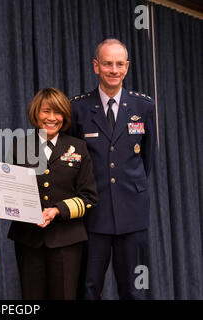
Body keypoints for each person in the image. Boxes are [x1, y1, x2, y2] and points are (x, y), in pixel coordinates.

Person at [69, 39, 156, 299]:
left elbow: (147, 157)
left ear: (127, 67)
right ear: (96, 66)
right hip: (93, 214)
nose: (114, 70)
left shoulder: (144, 106)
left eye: (119, 64)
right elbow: (73, 160)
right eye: (107, 63)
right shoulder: (78, 107)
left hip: (132, 212)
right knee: (88, 287)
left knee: (133, 289)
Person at [7, 88, 98, 300]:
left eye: (58, 113)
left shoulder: (78, 148)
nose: (51, 118)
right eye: (46, 111)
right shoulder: (19, 147)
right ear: (35, 113)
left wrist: (58, 210)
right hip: (28, 240)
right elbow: (10, 193)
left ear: (65, 116)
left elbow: (89, 197)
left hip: (67, 241)